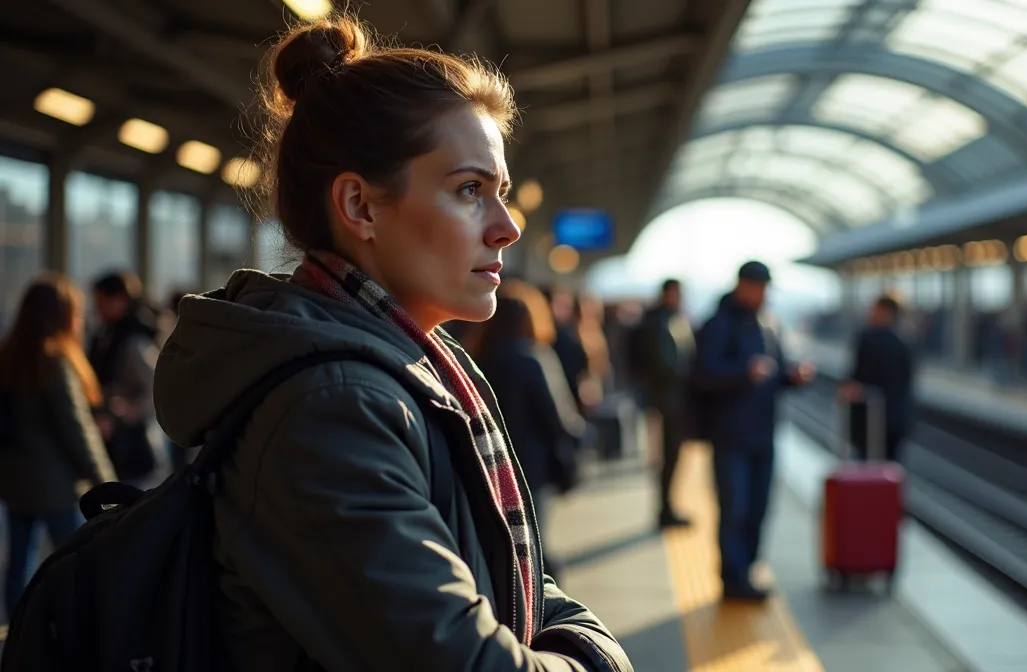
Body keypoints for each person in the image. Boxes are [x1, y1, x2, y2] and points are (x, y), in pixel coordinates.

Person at [152, 17, 629, 670]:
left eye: (503, 194)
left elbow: (521, 581)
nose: (507, 229)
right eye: (470, 190)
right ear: (361, 207)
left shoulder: (422, 369)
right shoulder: (330, 410)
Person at [694, 261, 814, 601]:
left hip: (763, 432)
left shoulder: (769, 323)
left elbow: (776, 373)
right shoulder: (719, 324)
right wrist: (743, 373)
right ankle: (733, 579)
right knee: (735, 507)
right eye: (757, 287)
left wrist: (793, 377)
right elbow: (703, 374)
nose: (762, 294)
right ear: (742, 285)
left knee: (760, 505)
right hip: (730, 434)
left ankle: (747, 568)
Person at [0, 274, 116, 619]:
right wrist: (107, 483)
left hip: (16, 483)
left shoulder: (7, 358)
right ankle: (71, 635)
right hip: (55, 486)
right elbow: (78, 432)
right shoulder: (55, 363)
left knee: (18, 564)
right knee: (77, 562)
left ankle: (18, 634)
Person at [471, 282, 587, 580]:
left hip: (489, 458)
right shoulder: (533, 357)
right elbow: (556, 417)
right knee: (533, 535)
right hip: (532, 461)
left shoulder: (476, 358)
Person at [632, 279, 696, 528]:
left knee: (671, 456)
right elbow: (667, 364)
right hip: (667, 401)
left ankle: (667, 506)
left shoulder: (668, 319)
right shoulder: (661, 323)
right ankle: (664, 510)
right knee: (667, 457)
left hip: (670, 400)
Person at [87, 270, 161, 484]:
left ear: (119, 300)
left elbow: (155, 389)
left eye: (101, 301)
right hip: (111, 442)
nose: (97, 307)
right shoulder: (105, 334)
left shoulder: (133, 341)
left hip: (131, 446)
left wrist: (129, 410)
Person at [839, 295, 915, 463]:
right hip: (896, 420)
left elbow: (858, 377)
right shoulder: (906, 342)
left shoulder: (868, 338)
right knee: (890, 468)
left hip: (869, 420)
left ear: (884, 312)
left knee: (867, 468)